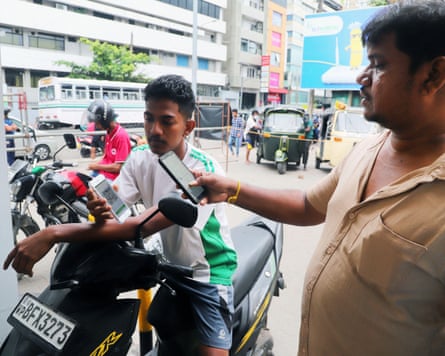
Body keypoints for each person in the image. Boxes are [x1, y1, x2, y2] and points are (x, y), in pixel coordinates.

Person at [189, 1, 445, 354]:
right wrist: (232, 189)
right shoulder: (368, 148)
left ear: (434, 75)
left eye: (379, 64)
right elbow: (309, 205)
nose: (362, 77)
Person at [4, 74, 237, 356]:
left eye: (166, 121)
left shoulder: (202, 173)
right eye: (149, 119)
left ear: (188, 126)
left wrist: (52, 233)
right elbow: (117, 209)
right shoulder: (141, 156)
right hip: (167, 267)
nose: (155, 130)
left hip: (206, 275)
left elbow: (137, 227)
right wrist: (101, 212)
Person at [86, 99, 131, 180]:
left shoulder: (121, 136)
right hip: (103, 173)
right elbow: (107, 157)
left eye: (97, 123)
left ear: (104, 121)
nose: (95, 125)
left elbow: (119, 167)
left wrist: (97, 166)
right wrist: (97, 164)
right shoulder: (109, 133)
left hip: (113, 178)